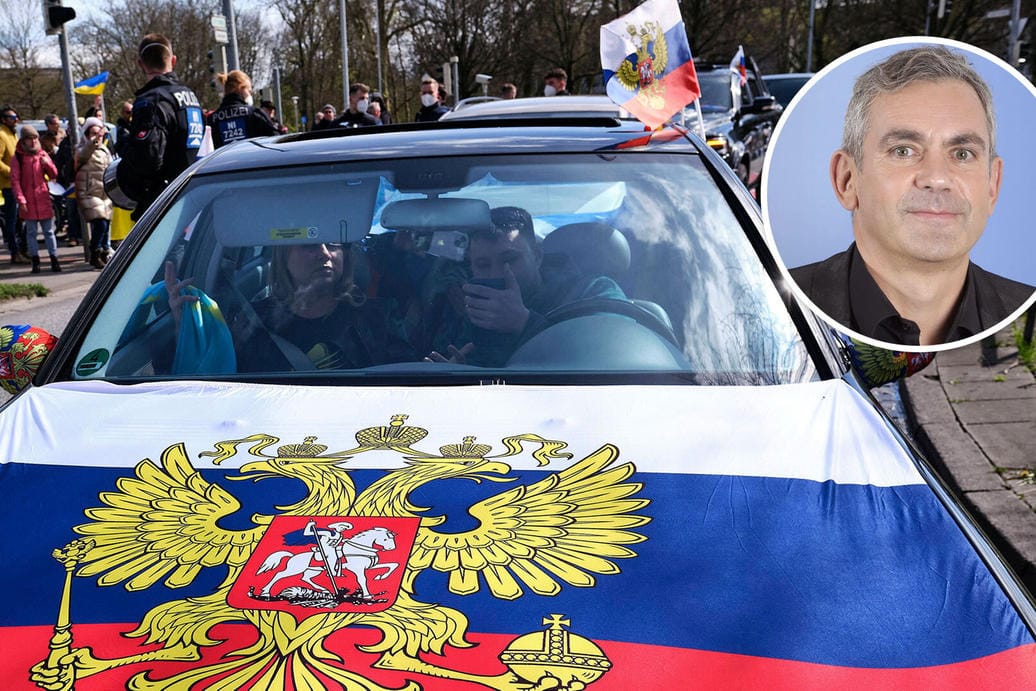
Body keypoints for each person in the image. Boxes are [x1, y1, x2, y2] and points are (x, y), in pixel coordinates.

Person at [790, 45, 1034, 347]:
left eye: (962, 153)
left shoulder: (1022, 306)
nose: (937, 178)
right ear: (847, 180)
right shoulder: (775, 303)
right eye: (903, 151)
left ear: (992, 184)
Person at [166, 241, 413, 373]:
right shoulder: (252, 321)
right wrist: (184, 326)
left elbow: (409, 381)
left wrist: (443, 372)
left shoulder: (378, 317)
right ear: (283, 256)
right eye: (310, 245)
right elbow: (212, 378)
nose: (325, 254)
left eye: (335, 244)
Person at [428, 206, 624, 366]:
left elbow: (610, 354)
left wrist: (525, 323)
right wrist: (457, 372)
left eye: (510, 259)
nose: (498, 273)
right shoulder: (466, 308)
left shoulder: (594, 293)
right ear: (471, 267)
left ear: (537, 256)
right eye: (483, 265)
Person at [115, 33, 204, 220]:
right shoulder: (191, 97)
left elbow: (147, 159)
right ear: (173, 60)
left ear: (141, 64)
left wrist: (124, 147)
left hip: (163, 201)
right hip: (192, 194)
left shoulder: (151, 101)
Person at [10, 125, 60, 273]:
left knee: (49, 232)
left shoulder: (42, 154)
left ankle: (54, 259)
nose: (33, 142)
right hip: (28, 200)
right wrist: (21, 200)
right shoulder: (18, 157)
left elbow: (53, 175)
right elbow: (15, 181)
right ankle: (35, 260)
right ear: (23, 141)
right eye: (29, 139)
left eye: (35, 138)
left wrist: (48, 164)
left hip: (42, 197)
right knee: (31, 232)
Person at [76, 117, 114, 269]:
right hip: (89, 191)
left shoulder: (105, 149)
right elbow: (84, 155)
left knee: (106, 225)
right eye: (92, 132)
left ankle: (104, 252)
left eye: (98, 132)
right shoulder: (81, 148)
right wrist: (94, 140)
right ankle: (94, 252)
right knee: (100, 224)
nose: (97, 136)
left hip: (104, 193)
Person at [210, 70, 280, 148]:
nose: (250, 94)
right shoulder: (255, 114)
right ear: (241, 88)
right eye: (249, 91)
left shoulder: (212, 119)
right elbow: (275, 139)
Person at [0, 105, 27, 264]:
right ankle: (14, 252)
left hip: (18, 185)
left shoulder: (12, 134)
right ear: (3, 120)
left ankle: (22, 251)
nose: (15, 120)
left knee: (20, 221)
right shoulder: (2, 135)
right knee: (11, 222)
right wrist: (12, 173)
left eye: (16, 117)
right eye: (11, 117)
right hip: (8, 186)